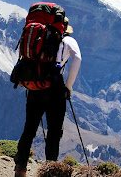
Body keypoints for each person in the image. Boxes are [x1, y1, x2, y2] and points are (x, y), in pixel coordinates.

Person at [14, 17, 82, 177]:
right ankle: (50, 170)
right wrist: (69, 86)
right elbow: (77, 58)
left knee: (29, 129)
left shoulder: (38, 39)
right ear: (64, 28)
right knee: (54, 132)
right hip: (56, 88)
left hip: (35, 87)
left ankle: (20, 169)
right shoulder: (68, 40)